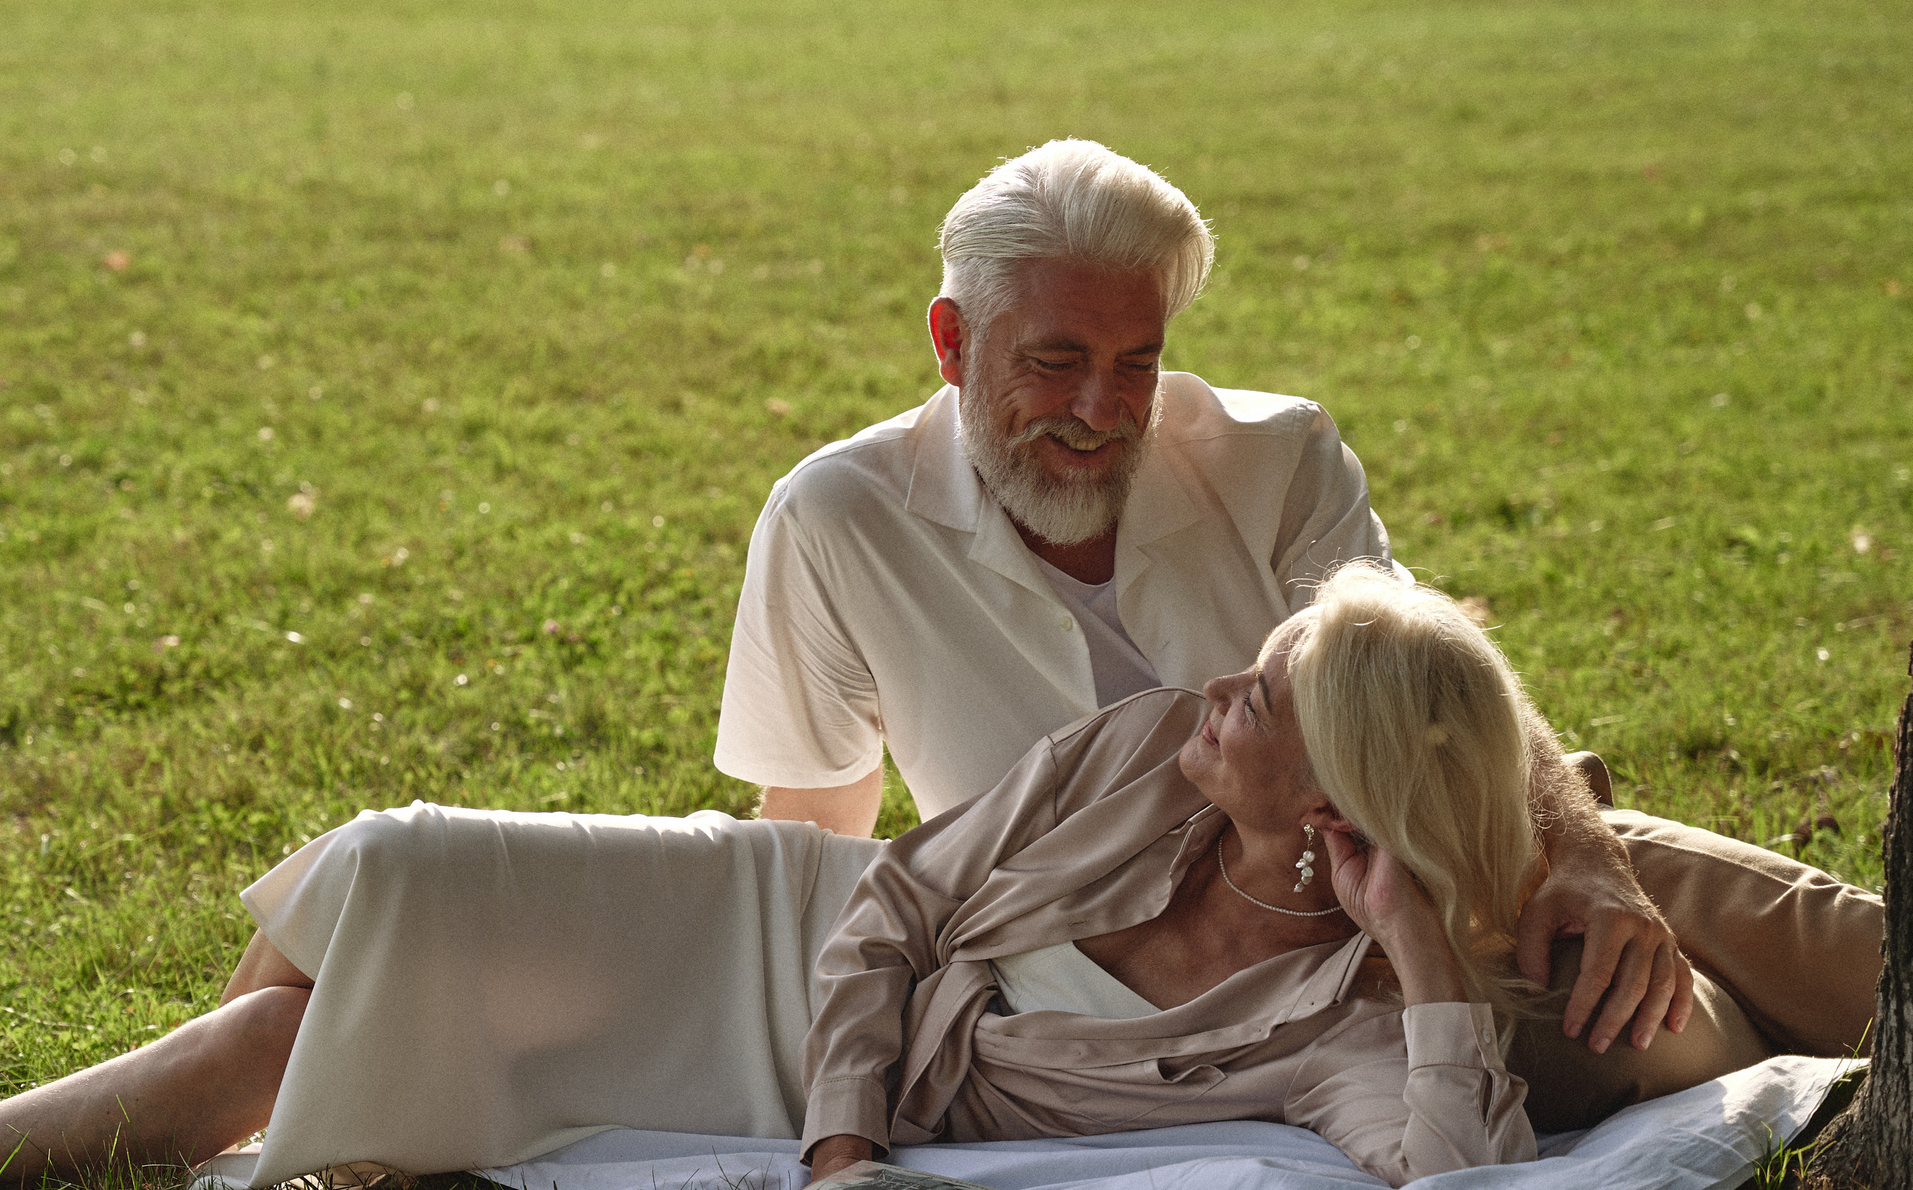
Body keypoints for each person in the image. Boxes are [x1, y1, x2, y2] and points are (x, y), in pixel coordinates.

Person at [0, 570, 1869, 1190]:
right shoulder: (1125, 771)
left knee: (305, 1027)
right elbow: (874, 902)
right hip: (769, 960)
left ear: (1350, 809)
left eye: (1254, 691)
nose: (1212, 688)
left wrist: (1431, 961)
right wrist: (853, 1134)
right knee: (397, 876)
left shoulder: (1365, 1016)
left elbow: (1448, 1176)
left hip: (743, 1049)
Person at [714, 137, 1865, 1126]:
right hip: (1221, 993)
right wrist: (839, 1093)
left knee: (1676, 890)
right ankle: (1806, 1072)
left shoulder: (1274, 454)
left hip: (1391, 861)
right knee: (1647, 1029)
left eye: (1138, 362)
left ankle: (1835, 1019)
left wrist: (1585, 856)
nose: (1099, 409)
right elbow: (816, 839)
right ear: (952, 344)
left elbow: (1428, 697)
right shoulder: (834, 517)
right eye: (1054, 361)